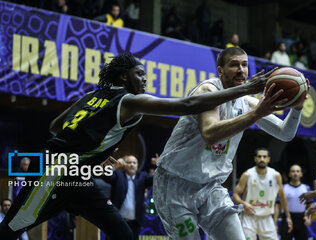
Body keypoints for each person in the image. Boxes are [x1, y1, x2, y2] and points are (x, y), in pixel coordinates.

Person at [0, 52, 274, 240]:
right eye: (139, 74)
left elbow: (56, 127)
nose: (144, 79)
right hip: (53, 172)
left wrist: (90, 154)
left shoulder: (92, 95)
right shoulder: (129, 100)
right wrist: (245, 89)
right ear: (123, 78)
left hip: (76, 174)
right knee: (11, 229)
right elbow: (186, 105)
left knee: (123, 233)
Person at [153, 47, 309, 240]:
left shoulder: (246, 102)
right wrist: (256, 114)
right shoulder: (208, 90)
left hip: (210, 187)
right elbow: (210, 133)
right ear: (220, 71)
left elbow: (285, 134)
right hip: (175, 184)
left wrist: (298, 107)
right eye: (234, 64)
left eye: (244, 65)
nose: (241, 70)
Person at [233, 148, 293, 240]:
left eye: (264, 157)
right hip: (249, 217)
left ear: (268, 159)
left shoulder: (275, 175)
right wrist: (244, 204)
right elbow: (235, 195)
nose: (262, 159)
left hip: (267, 217)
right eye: (259, 156)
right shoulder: (247, 175)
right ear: (255, 159)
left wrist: (288, 216)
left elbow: (282, 197)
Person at [103, 154, 157, 240]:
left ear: (137, 165)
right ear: (124, 165)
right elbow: (105, 176)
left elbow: (155, 179)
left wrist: (159, 166)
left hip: (134, 223)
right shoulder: (118, 175)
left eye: (134, 163)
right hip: (117, 221)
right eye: (129, 162)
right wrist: (114, 167)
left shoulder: (142, 176)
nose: (132, 164)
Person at [275, 164, 311, 240]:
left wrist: (309, 217)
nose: (295, 173)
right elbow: (277, 206)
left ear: (301, 174)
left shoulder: (306, 188)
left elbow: (310, 205)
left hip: (302, 219)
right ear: (289, 174)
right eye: (293, 171)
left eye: (297, 171)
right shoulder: (283, 188)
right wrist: (274, 222)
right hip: (287, 219)